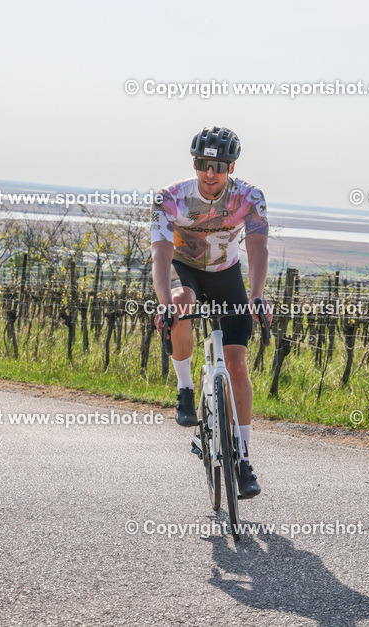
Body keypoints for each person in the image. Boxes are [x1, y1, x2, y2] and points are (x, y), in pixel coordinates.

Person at [151, 126, 269, 498]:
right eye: (203, 163)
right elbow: (160, 253)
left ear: (231, 166)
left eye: (218, 165)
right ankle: (185, 389)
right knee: (181, 301)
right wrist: (164, 303)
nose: (210, 172)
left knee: (236, 364)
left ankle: (244, 457)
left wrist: (257, 296)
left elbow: (258, 248)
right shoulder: (170, 198)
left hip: (224, 274)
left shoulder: (250, 197)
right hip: (183, 269)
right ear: (195, 163)